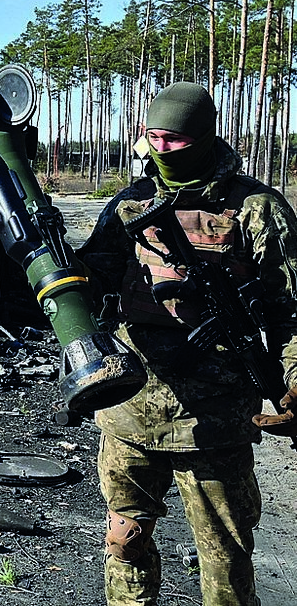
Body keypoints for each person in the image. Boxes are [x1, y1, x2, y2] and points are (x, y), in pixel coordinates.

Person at [76, 81, 297, 605]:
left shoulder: (256, 208)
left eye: (173, 139)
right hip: (129, 408)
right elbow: (88, 282)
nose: (161, 148)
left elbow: (291, 310)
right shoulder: (129, 205)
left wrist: (294, 379)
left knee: (225, 561)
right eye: (152, 136)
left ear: (204, 136)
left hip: (215, 420)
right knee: (124, 545)